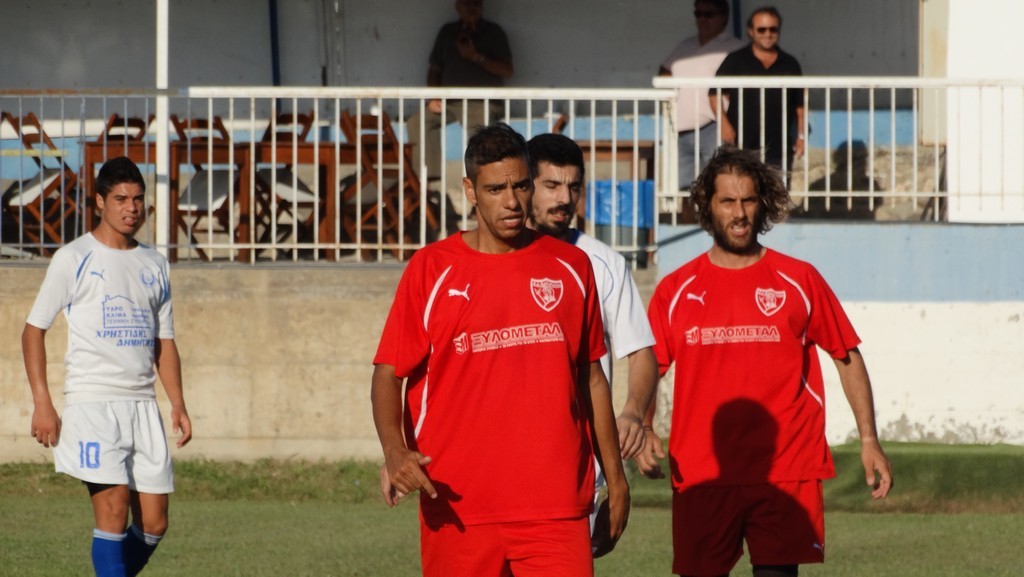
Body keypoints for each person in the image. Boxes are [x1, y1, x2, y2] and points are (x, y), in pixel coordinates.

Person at [372, 123, 632, 576]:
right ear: (470, 190)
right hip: (458, 505)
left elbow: (591, 378)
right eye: (496, 189)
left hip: (556, 505)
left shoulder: (572, 266)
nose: (512, 201)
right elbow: (387, 374)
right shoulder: (431, 270)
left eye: (521, 186)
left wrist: (617, 478)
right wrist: (395, 452)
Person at [638, 146, 893, 577]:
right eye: (727, 201)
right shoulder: (676, 290)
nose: (739, 213)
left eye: (749, 200)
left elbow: (846, 355)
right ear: (707, 206)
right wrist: (644, 427)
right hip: (703, 472)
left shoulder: (800, 279)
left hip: (785, 469)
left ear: (763, 204)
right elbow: (650, 364)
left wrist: (869, 438)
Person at [23, 156, 192, 577]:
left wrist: (177, 403)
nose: (131, 208)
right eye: (120, 199)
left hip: (143, 406)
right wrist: (42, 402)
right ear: (100, 201)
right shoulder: (74, 257)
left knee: (154, 524)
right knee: (113, 511)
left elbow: (164, 341)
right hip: (93, 403)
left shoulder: (154, 263)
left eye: (137, 199)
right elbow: (33, 330)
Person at [525, 133, 656, 551]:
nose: (565, 198)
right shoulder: (490, 258)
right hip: (500, 466)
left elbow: (641, 352)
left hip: (577, 470)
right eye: (551, 185)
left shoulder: (604, 264)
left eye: (574, 187)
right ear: (525, 184)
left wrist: (633, 411)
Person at [408, 0, 513, 183]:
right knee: (417, 122)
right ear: (457, 7)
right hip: (449, 101)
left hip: (482, 102)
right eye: (466, 4)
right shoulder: (447, 31)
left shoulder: (493, 32)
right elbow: (434, 69)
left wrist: (476, 57)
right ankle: (429, 183)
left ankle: (483, 184)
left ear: (482, 6)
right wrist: (434, 96)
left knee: (480, 134)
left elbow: (507, 70)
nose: (471, 8)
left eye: (476, 4)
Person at [659, 0, 744, 189]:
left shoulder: (734, 48)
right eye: (698, 14)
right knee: (685, 189)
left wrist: (727, 119)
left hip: (713, 127)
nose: (702, 19)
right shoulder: (685, 46)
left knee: (716, 185)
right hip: (681, 129)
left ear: (724, 18)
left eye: (709, 14)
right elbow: (665, 69)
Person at [711, 6, 806, 172]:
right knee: (739, 186)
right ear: (751, 31)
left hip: (778, 147)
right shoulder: (735, 60)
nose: (767, 34)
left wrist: (801, 136)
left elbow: (800, 104)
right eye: (761, 29)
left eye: (773, 29)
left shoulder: (790, 64)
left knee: (776, 188)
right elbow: (714, 94)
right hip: (740, 143)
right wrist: (724, 124)